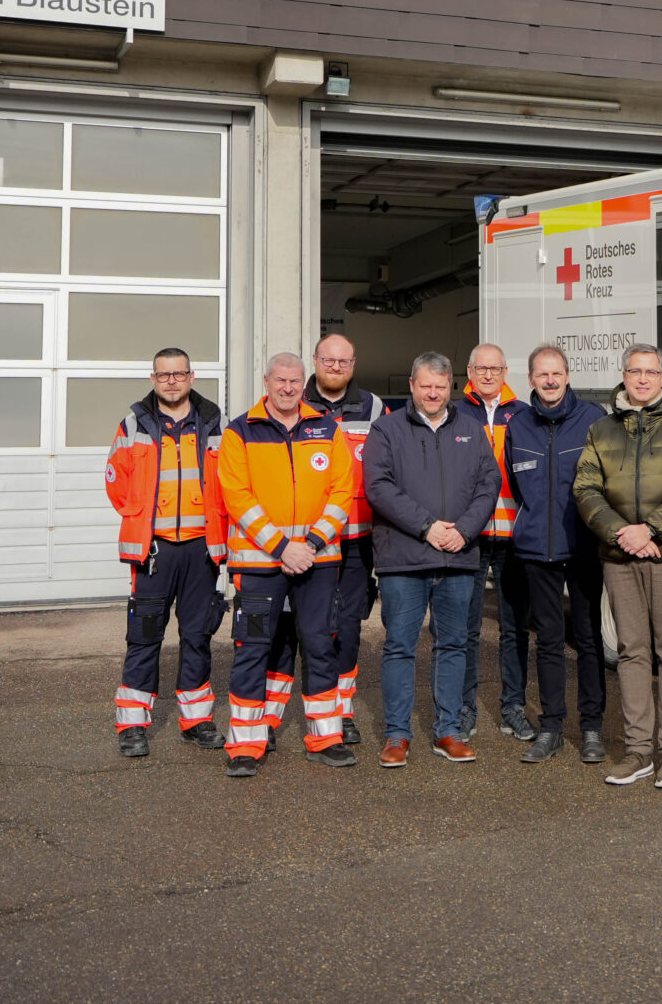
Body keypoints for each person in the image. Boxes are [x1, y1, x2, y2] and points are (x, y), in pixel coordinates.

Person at [214, 353, 355, 779]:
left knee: (319, 646)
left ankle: (326, 738)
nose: (289, 388)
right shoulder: (240, 432)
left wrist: (310, 543)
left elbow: (342, 491)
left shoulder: (327, 429)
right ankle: (246, 744)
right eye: (281, 380)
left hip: (318, 560)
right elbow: (237, 497)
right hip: (260, 564)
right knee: (253, 650)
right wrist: (282, 547)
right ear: (267, 382)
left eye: (296, 381)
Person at [574, 344, 662, 790]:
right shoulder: (601, 429)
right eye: (635, 371)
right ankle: (638, 751)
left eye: (651, 372)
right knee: (631, 651)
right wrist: (621, 534)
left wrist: (649, 530)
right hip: (618, 554)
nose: (643, 379)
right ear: (624, 375)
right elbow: (586, 489)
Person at [361, 352, 500, 767]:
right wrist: (427, 527)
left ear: (450, 387)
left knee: (454, 645)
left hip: (458, 557)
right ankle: (397, 735)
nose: (434, 393)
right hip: (404, 559)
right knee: (400, 647)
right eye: (426, 385)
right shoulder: (386, 430)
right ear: (412, 385)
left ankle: (447, 731)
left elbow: (488, 484)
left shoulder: (472, 430)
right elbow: (378, 487)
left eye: (441, 386)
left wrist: (463, 531)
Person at [104, 348, 229, 756]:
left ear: (191, 377)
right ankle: (133, 725)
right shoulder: (134, 422)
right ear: (153, 378)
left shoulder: (215, 423)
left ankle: (196, 720)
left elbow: (230, 479)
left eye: (178, 374)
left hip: (201, 548)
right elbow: (116, 482)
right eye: (164, 375)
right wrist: (143, 519)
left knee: (197, 635)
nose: (171, 381)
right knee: (144, 637)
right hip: (155, 549)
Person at [499, 343, 608, 764]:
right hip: (535, 549)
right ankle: (551, 727)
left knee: (588, 638)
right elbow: (514, 479)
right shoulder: (518, 426)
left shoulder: (592, 420)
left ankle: (593, 728)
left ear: (567, 376)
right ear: (530, 380)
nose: (549, 381)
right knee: (547, 641)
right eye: (541, 374)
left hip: (582, 546)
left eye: (556, 373)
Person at [301, 333, 385, 766]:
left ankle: (342, 710)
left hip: (356, 539)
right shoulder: (293, 402)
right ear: (315, 360)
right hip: (307, 541)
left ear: (354, 363)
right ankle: (304, 713)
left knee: (348, 628)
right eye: (328, 360)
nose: (336, 367)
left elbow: (391, 468)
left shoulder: (373, 408)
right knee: (308, 630)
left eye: (344, 361)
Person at [459, 344, 534, 744]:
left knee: (514, 629)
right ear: (469, 371)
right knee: (465, 628)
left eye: (495, 368)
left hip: (513, 537)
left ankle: (513, 708)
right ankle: (465, 708)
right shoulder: (456, 413)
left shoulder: (522, 414)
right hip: (468, 537)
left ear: (506, 371)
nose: (488, 375)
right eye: (480, 368)